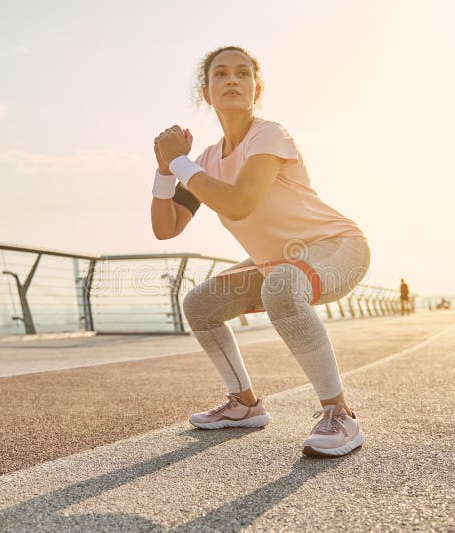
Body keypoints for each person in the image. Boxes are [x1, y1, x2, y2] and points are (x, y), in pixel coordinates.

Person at [150, 46, 370, 457]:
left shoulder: (269, 134)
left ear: (257, 88)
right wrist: (166, 171)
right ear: (206, 92)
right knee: (199, 304)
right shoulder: (206, 161)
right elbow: (167, 227)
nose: (232, 80)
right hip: (277, 262)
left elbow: (239, 202)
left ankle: (340, 413)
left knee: (283, 286)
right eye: (220, 74)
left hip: (339, 248)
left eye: (242, 74)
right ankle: (244, 404)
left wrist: (180, 163)